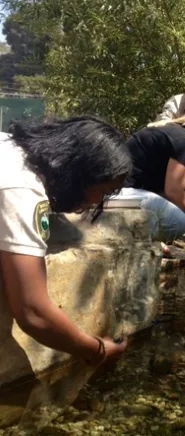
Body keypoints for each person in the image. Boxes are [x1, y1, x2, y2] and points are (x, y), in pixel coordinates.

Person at [0, 116, 132, 366]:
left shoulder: (8, 146)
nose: (95, 203)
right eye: (102, 192)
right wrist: (97, 350)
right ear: (81, 173)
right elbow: (33, 312)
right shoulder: (22, 190)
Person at [109, 116, 185, 245]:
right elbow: (174, 191)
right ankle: (143, 243)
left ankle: (147, 240)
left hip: (113, 190)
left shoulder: (175, 131)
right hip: (121, 194)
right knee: (180, 222)